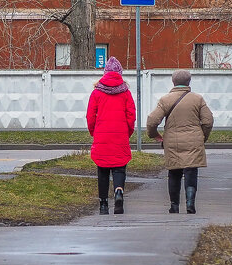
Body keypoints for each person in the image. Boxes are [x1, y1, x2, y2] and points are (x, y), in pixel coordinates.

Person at [146, 69, 214, 214]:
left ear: (173, 82)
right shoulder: (198, 99)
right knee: (191, 171)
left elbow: (152, 120)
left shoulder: (165, 100)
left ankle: (174, 205)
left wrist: (154, 135)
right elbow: (208, 121)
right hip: (194, 140)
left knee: (174, 173)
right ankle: (190, 203)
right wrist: (202, 137)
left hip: (172, 141)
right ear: (189, 82)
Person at [86, 56, 136, 215]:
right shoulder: (125, 92)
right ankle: (119, 191)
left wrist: (94, 132)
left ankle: (103, 204)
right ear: (120, 73)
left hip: (102, 134)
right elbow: (131, 115)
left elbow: (90, 116)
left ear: (105, 73)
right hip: (120, 134)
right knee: (119, 167)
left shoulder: (96, 93)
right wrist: (127, 132)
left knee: (102, 168)